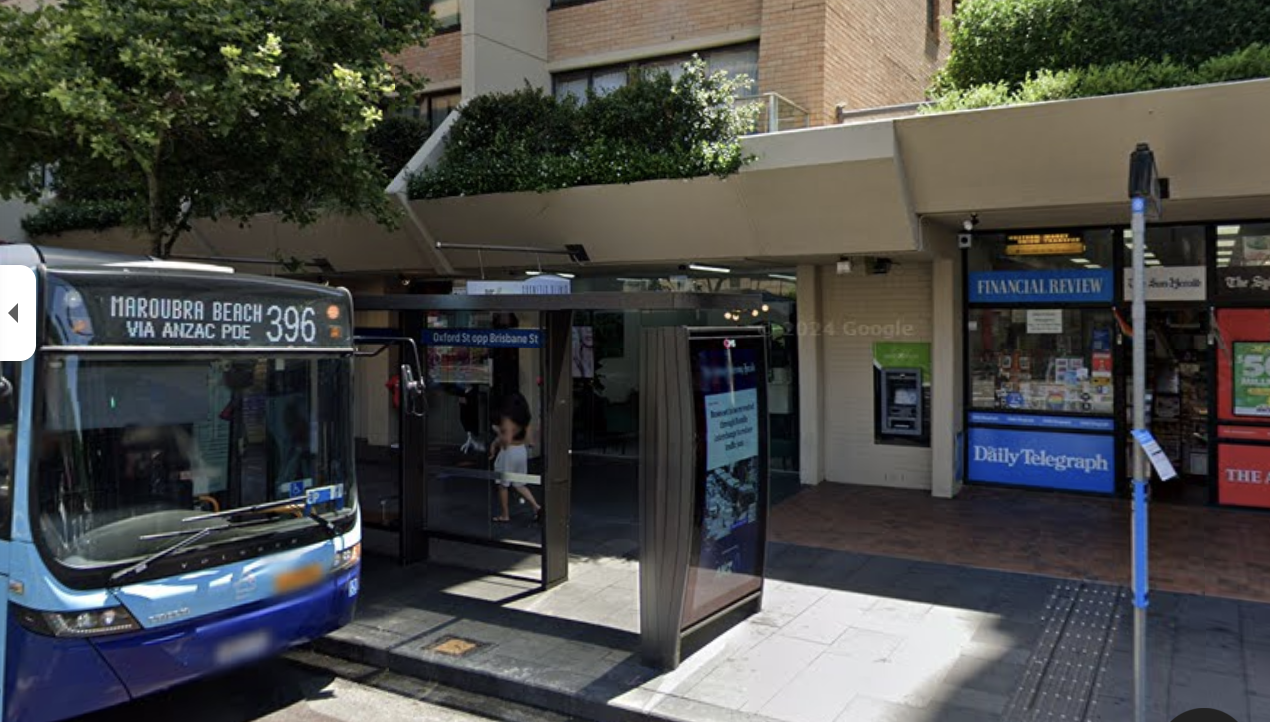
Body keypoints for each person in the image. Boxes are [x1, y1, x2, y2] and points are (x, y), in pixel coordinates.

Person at [490, 392, 540, 523]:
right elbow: (531, 442)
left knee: (503, 485)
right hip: (521, 451)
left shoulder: (507, 419)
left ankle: (505, 515)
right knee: (519, 484)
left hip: (509, 453)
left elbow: (506, 441)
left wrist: (497, 430)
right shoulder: (525, 420)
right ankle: (536, 506)